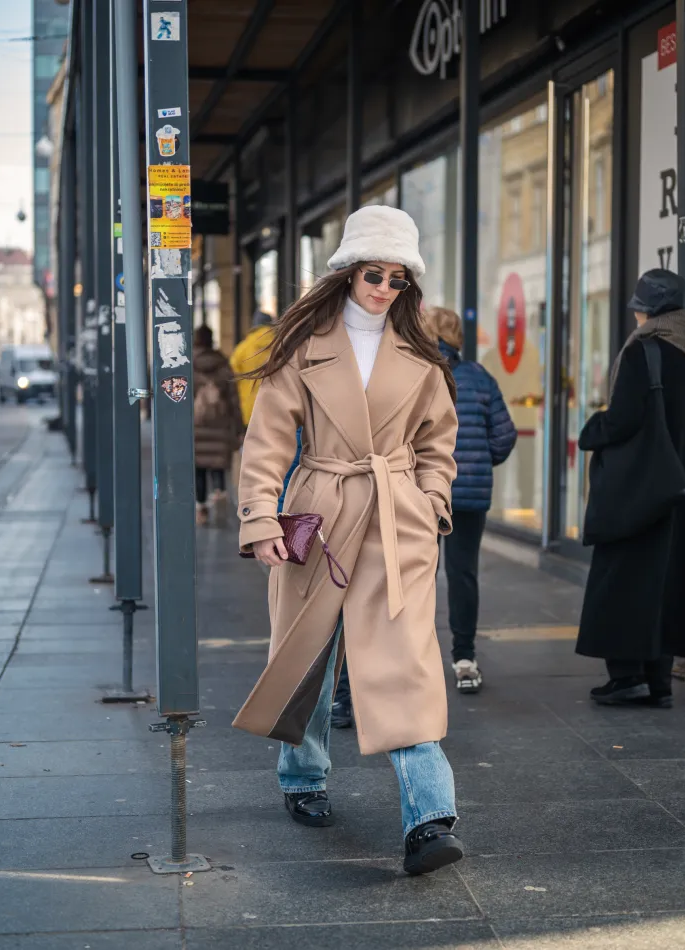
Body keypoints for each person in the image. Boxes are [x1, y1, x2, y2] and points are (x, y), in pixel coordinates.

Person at [235, 205, 464, 875]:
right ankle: (302, 777)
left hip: (397, 523)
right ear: (347, 270)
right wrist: (259, 518)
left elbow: (437, 444)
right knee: (310, 656)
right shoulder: (304, 344)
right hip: (322, 514)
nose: (383, 288)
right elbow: (268, 440)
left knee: (406, 665)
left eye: (398, 278)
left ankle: (430, 818)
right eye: (373, 273)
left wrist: (431, 505)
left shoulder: (420, 353)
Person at [577, 269, 685, 706]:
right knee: (669, 582)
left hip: (642, 489)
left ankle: (626, 676)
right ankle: (658, 683)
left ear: (646, 309)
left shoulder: (645, 351)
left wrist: (591, 431)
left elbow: (622, 420)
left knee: (623, 577)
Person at [425, 306, 517, 693]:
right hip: (469, 495)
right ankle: (464, 657)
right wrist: (479, 462)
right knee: (463, 574)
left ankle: (417, 657)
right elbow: (505, 434)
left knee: (418, 576)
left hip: (424, 494)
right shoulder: (481, 378)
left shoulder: (420, 375)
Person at [193, 324, 243, 526]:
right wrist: (238, 427)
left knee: (199, 468)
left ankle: (201, 507)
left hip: (196, 425)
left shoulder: (188, 364)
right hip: (220, 425)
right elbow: (233, 400)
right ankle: (219, 493)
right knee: (217, 463)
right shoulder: (224, 365)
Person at [230, 309, 275, 427]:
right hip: (274, 407)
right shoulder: (280, 345)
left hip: (249, 408)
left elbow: (232, 375)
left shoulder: (242, 349)